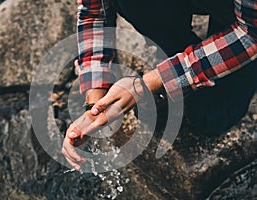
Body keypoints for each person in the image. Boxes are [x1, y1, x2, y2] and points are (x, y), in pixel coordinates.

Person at [62, 0, 257, 170]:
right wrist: (94, 106)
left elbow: (250, 35)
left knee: (211, 116)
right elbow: (94, 11)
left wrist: (150, 83)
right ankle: (177, 60)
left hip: (248, 21)